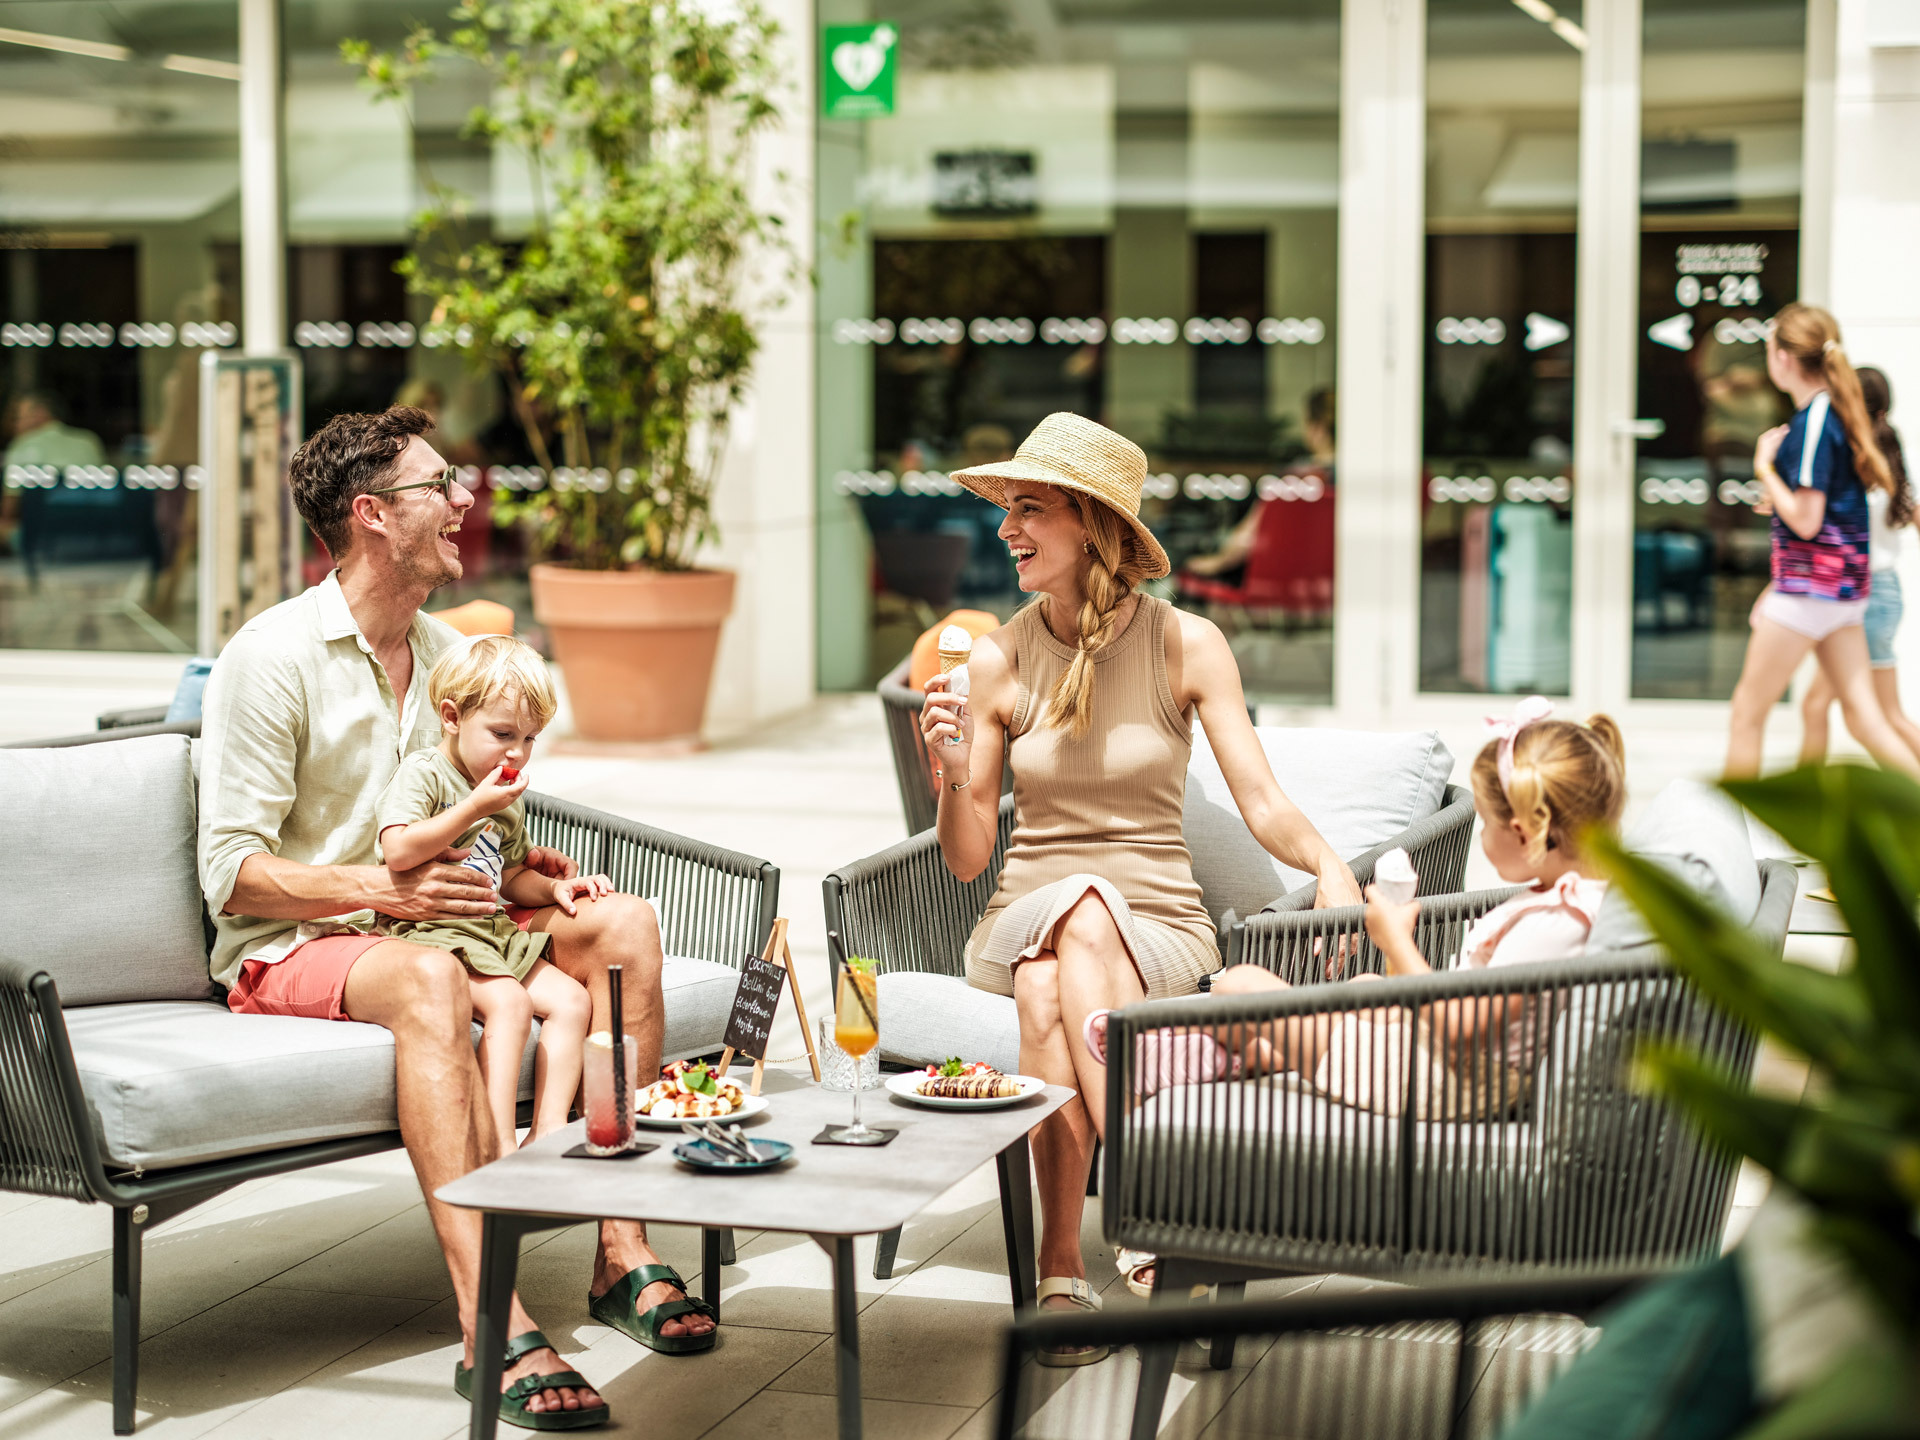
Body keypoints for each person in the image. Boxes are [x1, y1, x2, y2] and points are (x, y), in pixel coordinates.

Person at [197, 406, 716, 1430]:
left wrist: (531, 867)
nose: (462, 501)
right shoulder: (271, 659)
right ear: (371, 515)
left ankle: (622, 1246)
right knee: (431, 980)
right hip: (300, 946)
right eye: (440, 485)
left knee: (626, 929)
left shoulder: (453, 657)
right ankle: (494, 1320)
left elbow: (480, 812)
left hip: (442, 919)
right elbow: (230, 875)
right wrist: (382, 891)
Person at [919, 411, 1361, 1365]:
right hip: (1024, 909)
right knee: (1070, 916)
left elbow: (1261, 800)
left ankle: (1061, 1266)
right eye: (1008, 509)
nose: (1007, 530)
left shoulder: (1187, 644)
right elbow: (964, 859)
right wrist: (950, 770)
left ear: (1091, 522)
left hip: (1159, 922)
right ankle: (1154, 1206)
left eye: (1028, 509)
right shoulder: (999, 656)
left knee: (1054, 976)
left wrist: (1329, 865)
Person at [1139, 699, 1622, 1119]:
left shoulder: (1551, 925)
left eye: (1489, 824)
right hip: (1446, 1065)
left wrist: (1396, 941)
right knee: (1366, 988)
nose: (1481, 835)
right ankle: (1250, 1051)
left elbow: (1457, 1027)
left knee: (1241, 984)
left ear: (1524, 833)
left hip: (1439, 1082)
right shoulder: (1564, 902)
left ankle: (1191, 1052)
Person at [375, 634, 603, 1155]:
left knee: (572, 1001)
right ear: (452, 717)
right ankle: (496, 1143)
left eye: (530, 738)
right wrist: (474, 807)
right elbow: (398, 850)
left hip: (490, 933)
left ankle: (546, 1135)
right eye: (502, 733)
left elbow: (510, 875)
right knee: (509, 1003)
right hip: (431, 934)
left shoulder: (499, 791)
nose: (517, 753)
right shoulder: (427, 773)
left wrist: (553, 886)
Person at [1723, 304, 1919, 779]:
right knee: (1866, 720)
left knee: (1747, 714)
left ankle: (1725, 848)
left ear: (1784, 359)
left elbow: (1808, 522)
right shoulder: (1838, 413)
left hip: (1810, 590)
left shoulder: (1811, 422)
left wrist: (1764, 468)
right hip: (1846, 593)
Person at [1797, 366, 1920, 765]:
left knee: (1822, 708)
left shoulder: (1857, 462)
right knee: (1885, 714)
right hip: (1885, 594)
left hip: (1860, 595)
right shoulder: (1890, 461)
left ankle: (1804, 806)